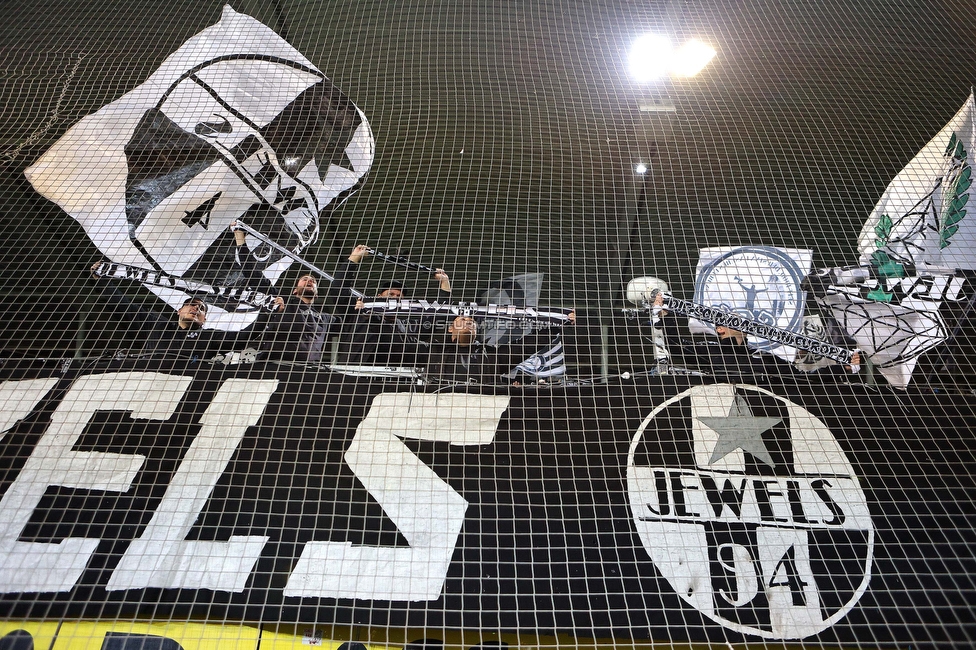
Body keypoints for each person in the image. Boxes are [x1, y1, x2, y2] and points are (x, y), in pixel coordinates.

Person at [90, 263, 258, 362]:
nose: (196, 309)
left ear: (204, 319)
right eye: (192, 305)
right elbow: (124, 305)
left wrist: (267, 312)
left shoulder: (210, 336)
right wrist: (103, 281)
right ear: (179, 310)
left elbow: (245, 336)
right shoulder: (157, 324)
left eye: (201, 310)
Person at [338, 258, 453, 368]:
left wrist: (445, 283)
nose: (395, 298)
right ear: (378, 297)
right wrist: (353, 259)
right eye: (390, 294)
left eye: (399, 297)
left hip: (392, 382)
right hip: (352, 375)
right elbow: (338, 290)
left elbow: (438, 316)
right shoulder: (359, 315)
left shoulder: (408, 327)